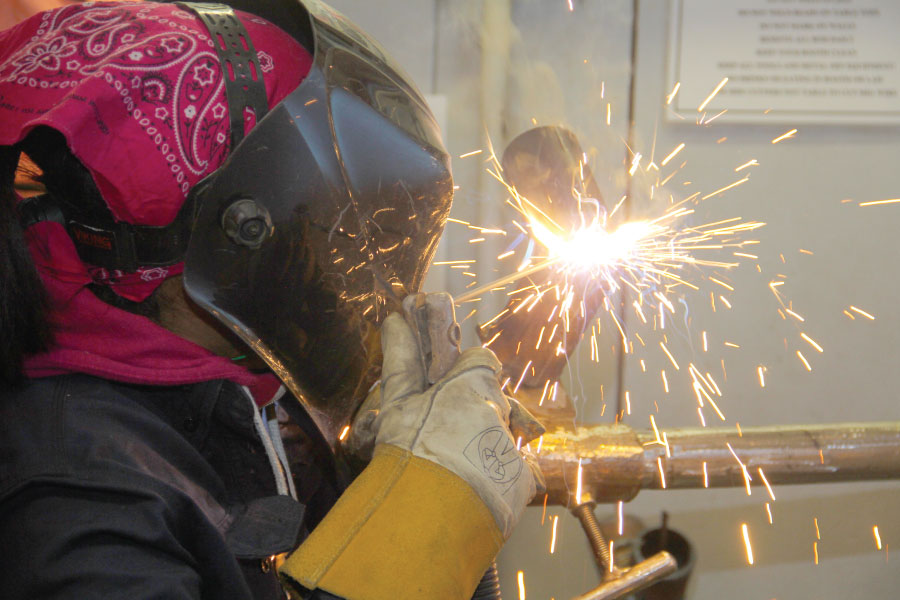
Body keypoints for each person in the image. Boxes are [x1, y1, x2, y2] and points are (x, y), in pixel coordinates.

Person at [0, 1, 542, 599]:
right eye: (322, 226)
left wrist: (370, 480)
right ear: (240, 232)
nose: (341, 265)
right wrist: (423, 524)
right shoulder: (76, 501)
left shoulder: (206, 396)